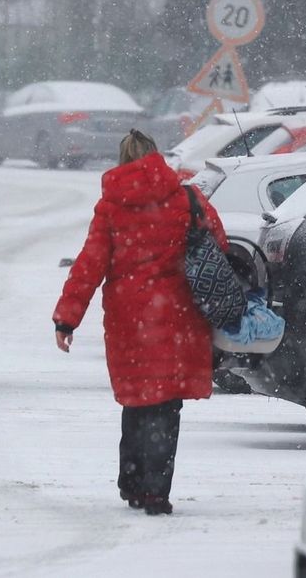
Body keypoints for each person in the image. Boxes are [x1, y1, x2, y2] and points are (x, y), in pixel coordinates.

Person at [52, 129, 227, 516]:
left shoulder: (111, 207)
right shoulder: (187, 197)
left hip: (130, 319)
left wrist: (67, 320)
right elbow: (220, 243)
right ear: (156, 156)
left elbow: (89, 264)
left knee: (137, 400)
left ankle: (132, 482)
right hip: (180, 315)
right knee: (167, 406)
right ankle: (156, 491)